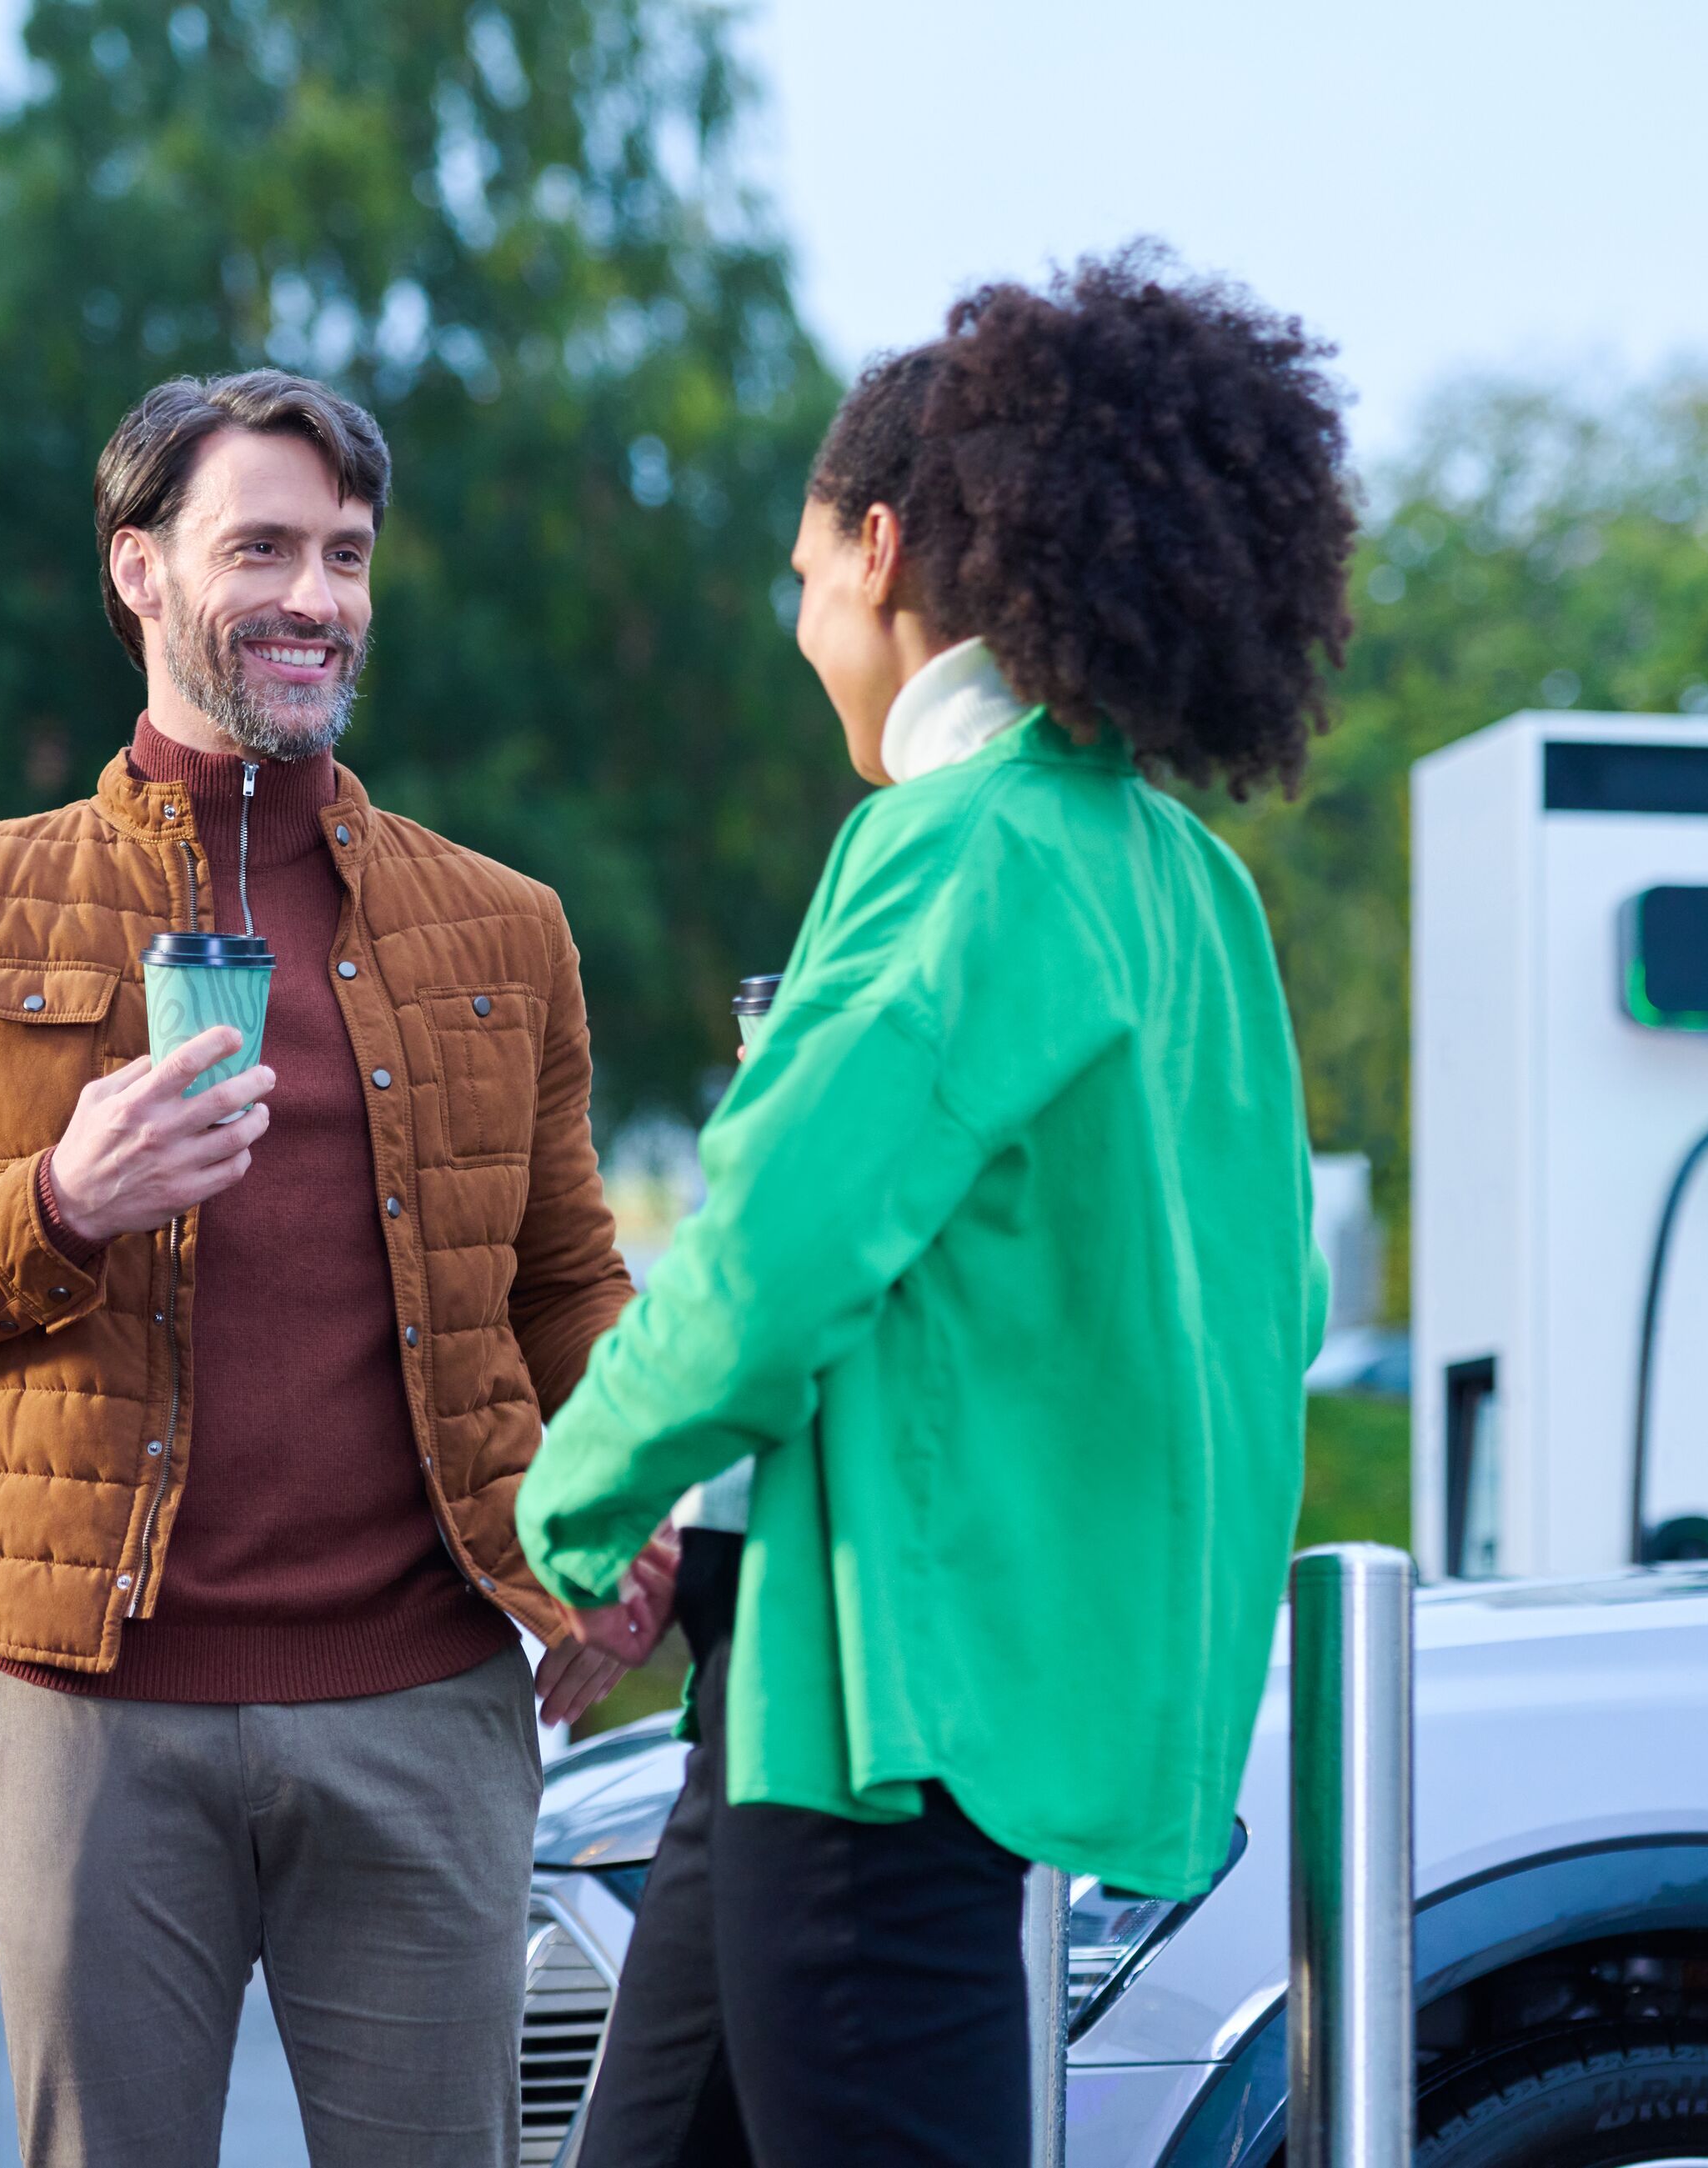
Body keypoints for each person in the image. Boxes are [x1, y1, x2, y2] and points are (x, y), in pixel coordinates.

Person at [524, 248, 1355, 2168]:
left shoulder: (952, 845)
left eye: (803, 568)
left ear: (882, 547)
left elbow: (763, 1262)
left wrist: (567, 1506)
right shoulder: (1189, 882)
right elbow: (1263, 1306)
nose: (798, 612)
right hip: (913, 1692)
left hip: (878, 1716)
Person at [0, 368, 667, 2168]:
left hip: (428, 1698)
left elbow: (571, 1284)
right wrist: (62, 1197)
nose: (317, 594)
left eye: (345, 554)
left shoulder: (502, 927)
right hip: (87, 1708)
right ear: (138, 568)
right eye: (261, 544)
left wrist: (627, 1514)